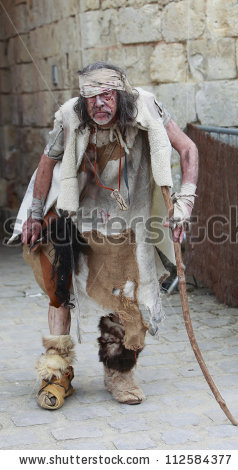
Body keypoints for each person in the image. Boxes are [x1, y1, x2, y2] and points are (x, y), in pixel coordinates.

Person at [12, 61, 198, 410]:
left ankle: (119, 371)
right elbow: (47, 161)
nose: (99, 103)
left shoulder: (146, 107)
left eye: (107, 95)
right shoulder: (70, 115)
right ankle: (57, 371)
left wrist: (184, 203)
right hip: (73, 213)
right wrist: (36, 215)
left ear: (121, 94)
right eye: (91, 96)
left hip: (127, 220)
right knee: (59, 287)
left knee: (128, 295)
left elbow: (188, 149)